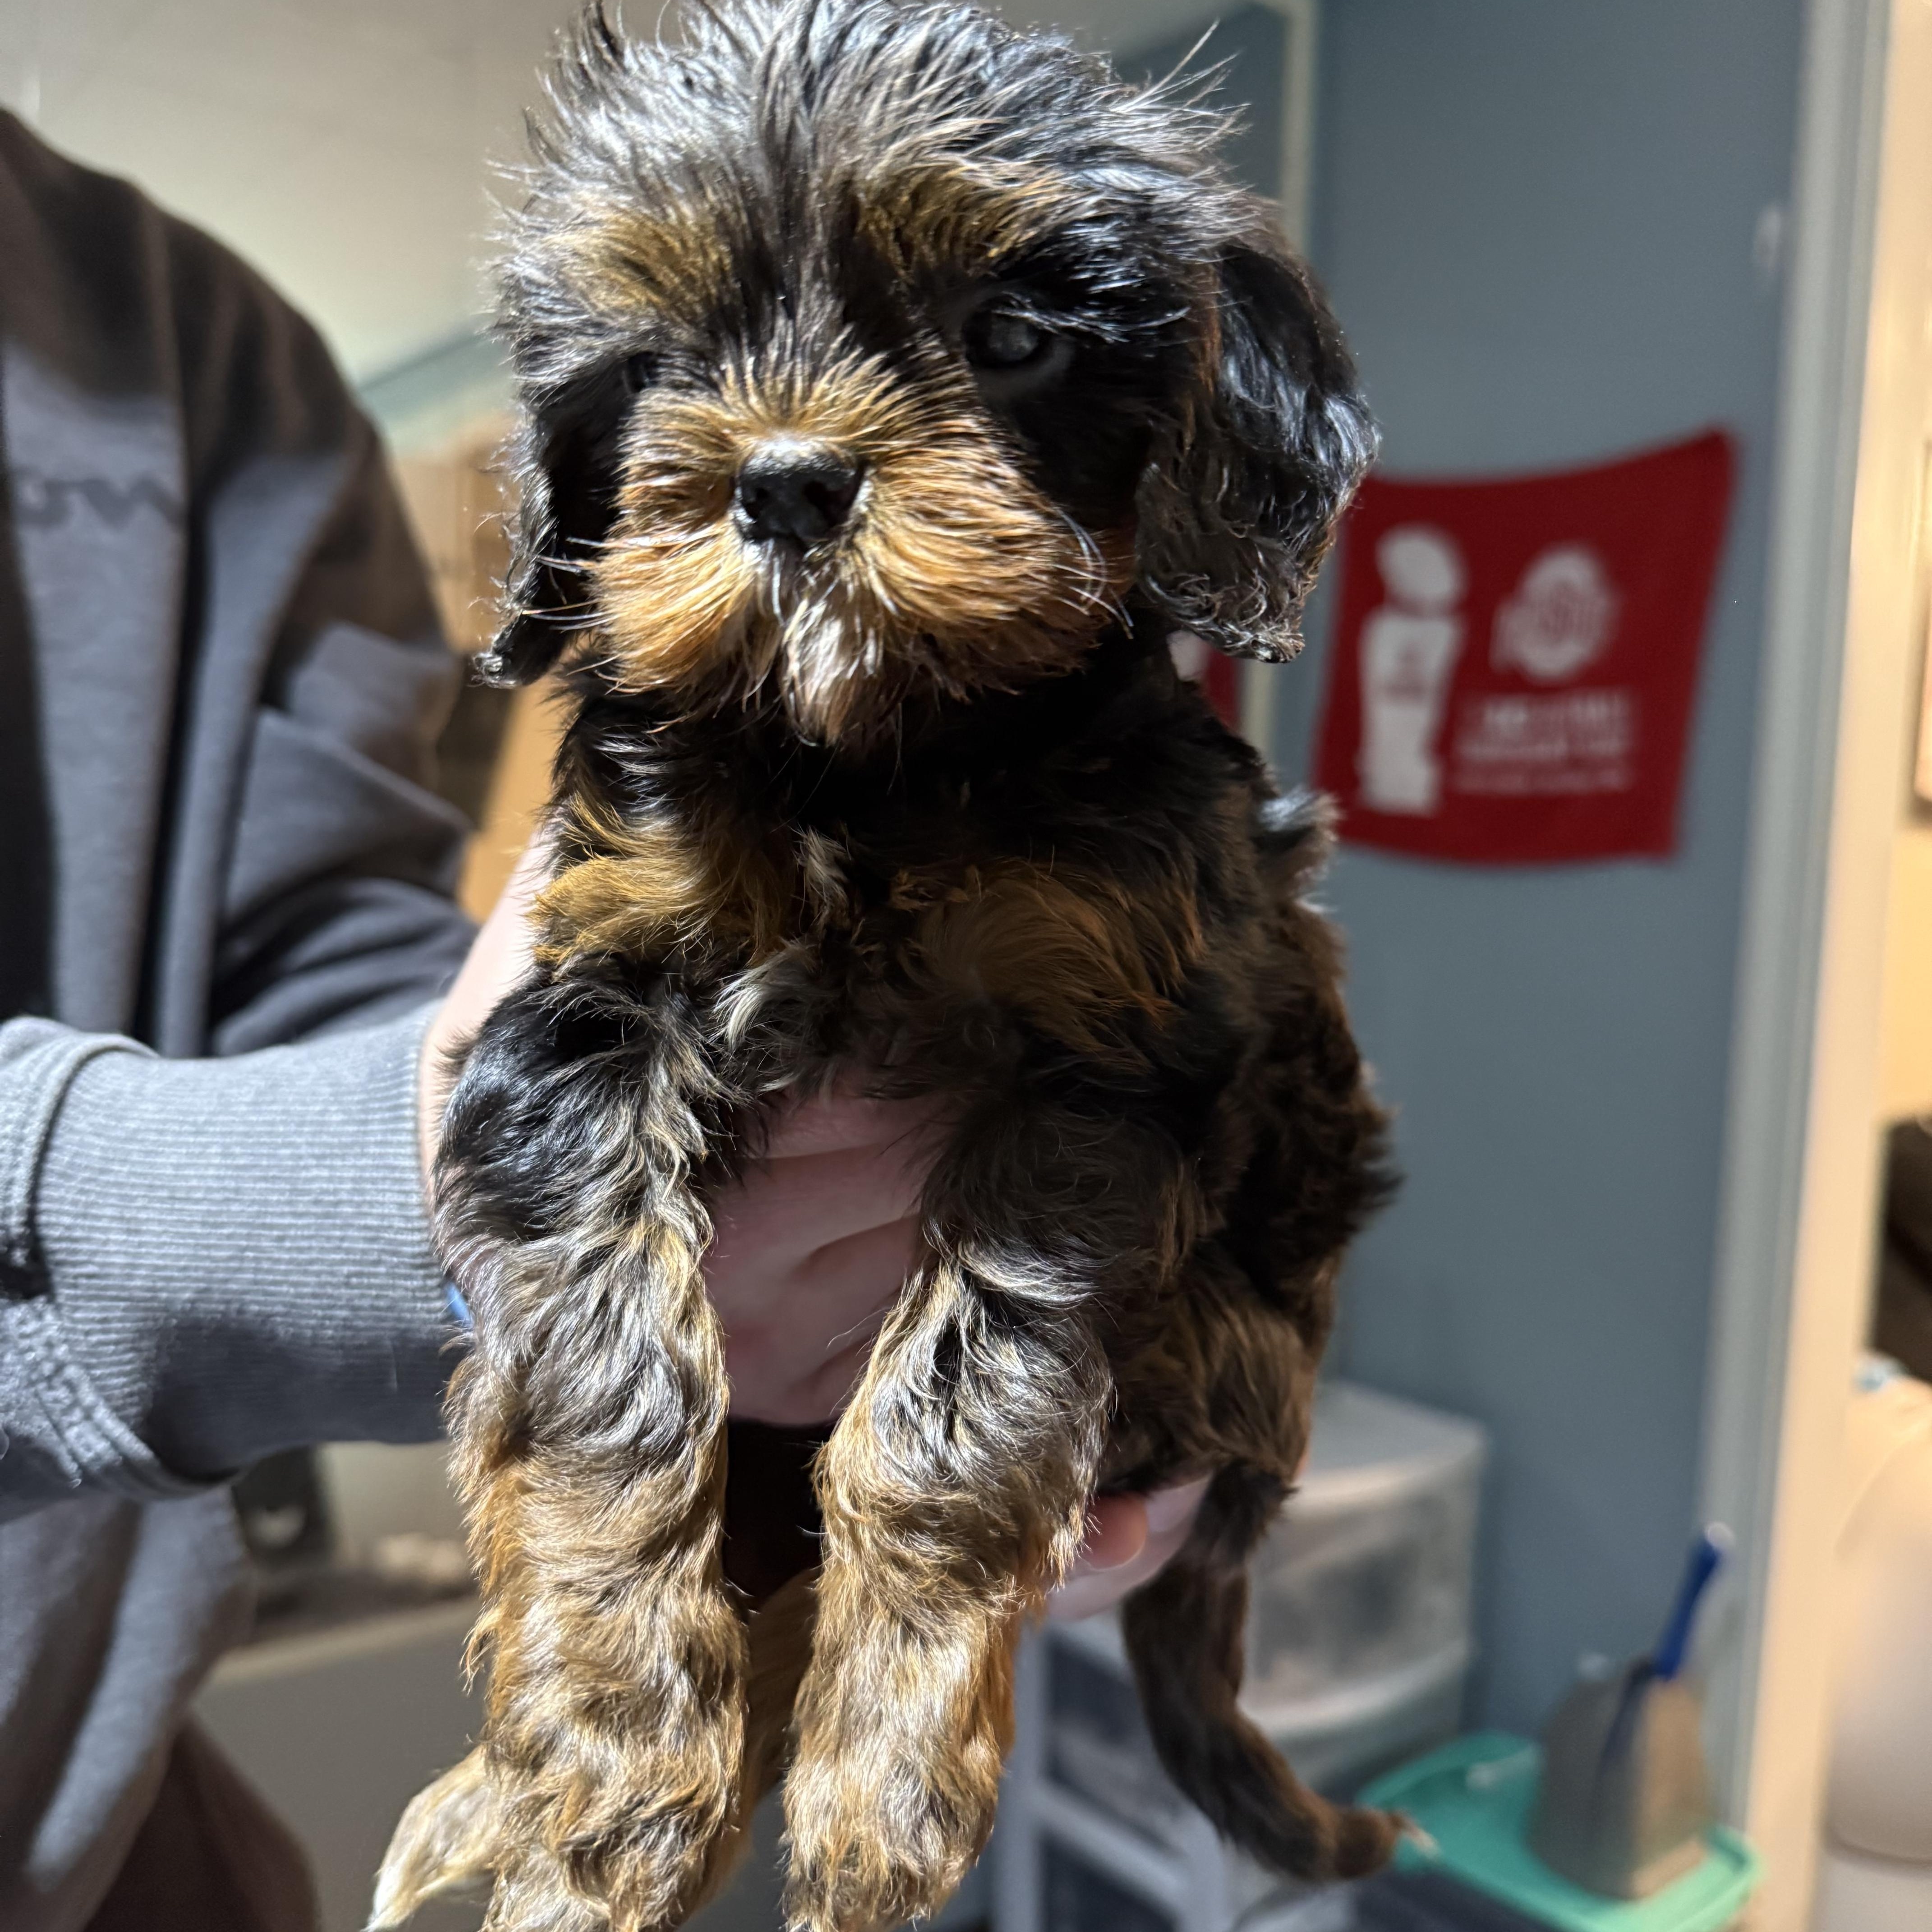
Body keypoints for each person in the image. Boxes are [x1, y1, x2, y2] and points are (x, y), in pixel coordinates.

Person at [0, 111, 1198, 1931]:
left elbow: (322, 972)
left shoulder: (198, 340)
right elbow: (371, 1160)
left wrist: (833, 1195)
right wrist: (451, 1178)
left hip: (118, 1822)